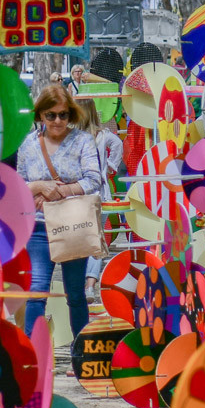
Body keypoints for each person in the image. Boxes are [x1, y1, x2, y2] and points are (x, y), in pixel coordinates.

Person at [17, 85, 104, 342]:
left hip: (72, 225)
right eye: (50, 115)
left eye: (63, 115)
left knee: (75, 294)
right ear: (40, 115)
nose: (57, 121)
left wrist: (59, 192)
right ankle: (32, 354)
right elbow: (19, 185)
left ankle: (80, 352)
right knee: (36, 291)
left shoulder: (82, 141)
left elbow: (93, 179)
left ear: (71, 115)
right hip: (39, 228)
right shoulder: (29, 144)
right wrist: (40, 187)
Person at [80, 100, 127, 298]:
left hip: (79, 194)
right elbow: (118, 144)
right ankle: (90, 284)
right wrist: (110, 168)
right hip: (100, 193)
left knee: (79, 240)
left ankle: (79, 283)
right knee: (96, 240)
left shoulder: (72, 136)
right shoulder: (102, 135)